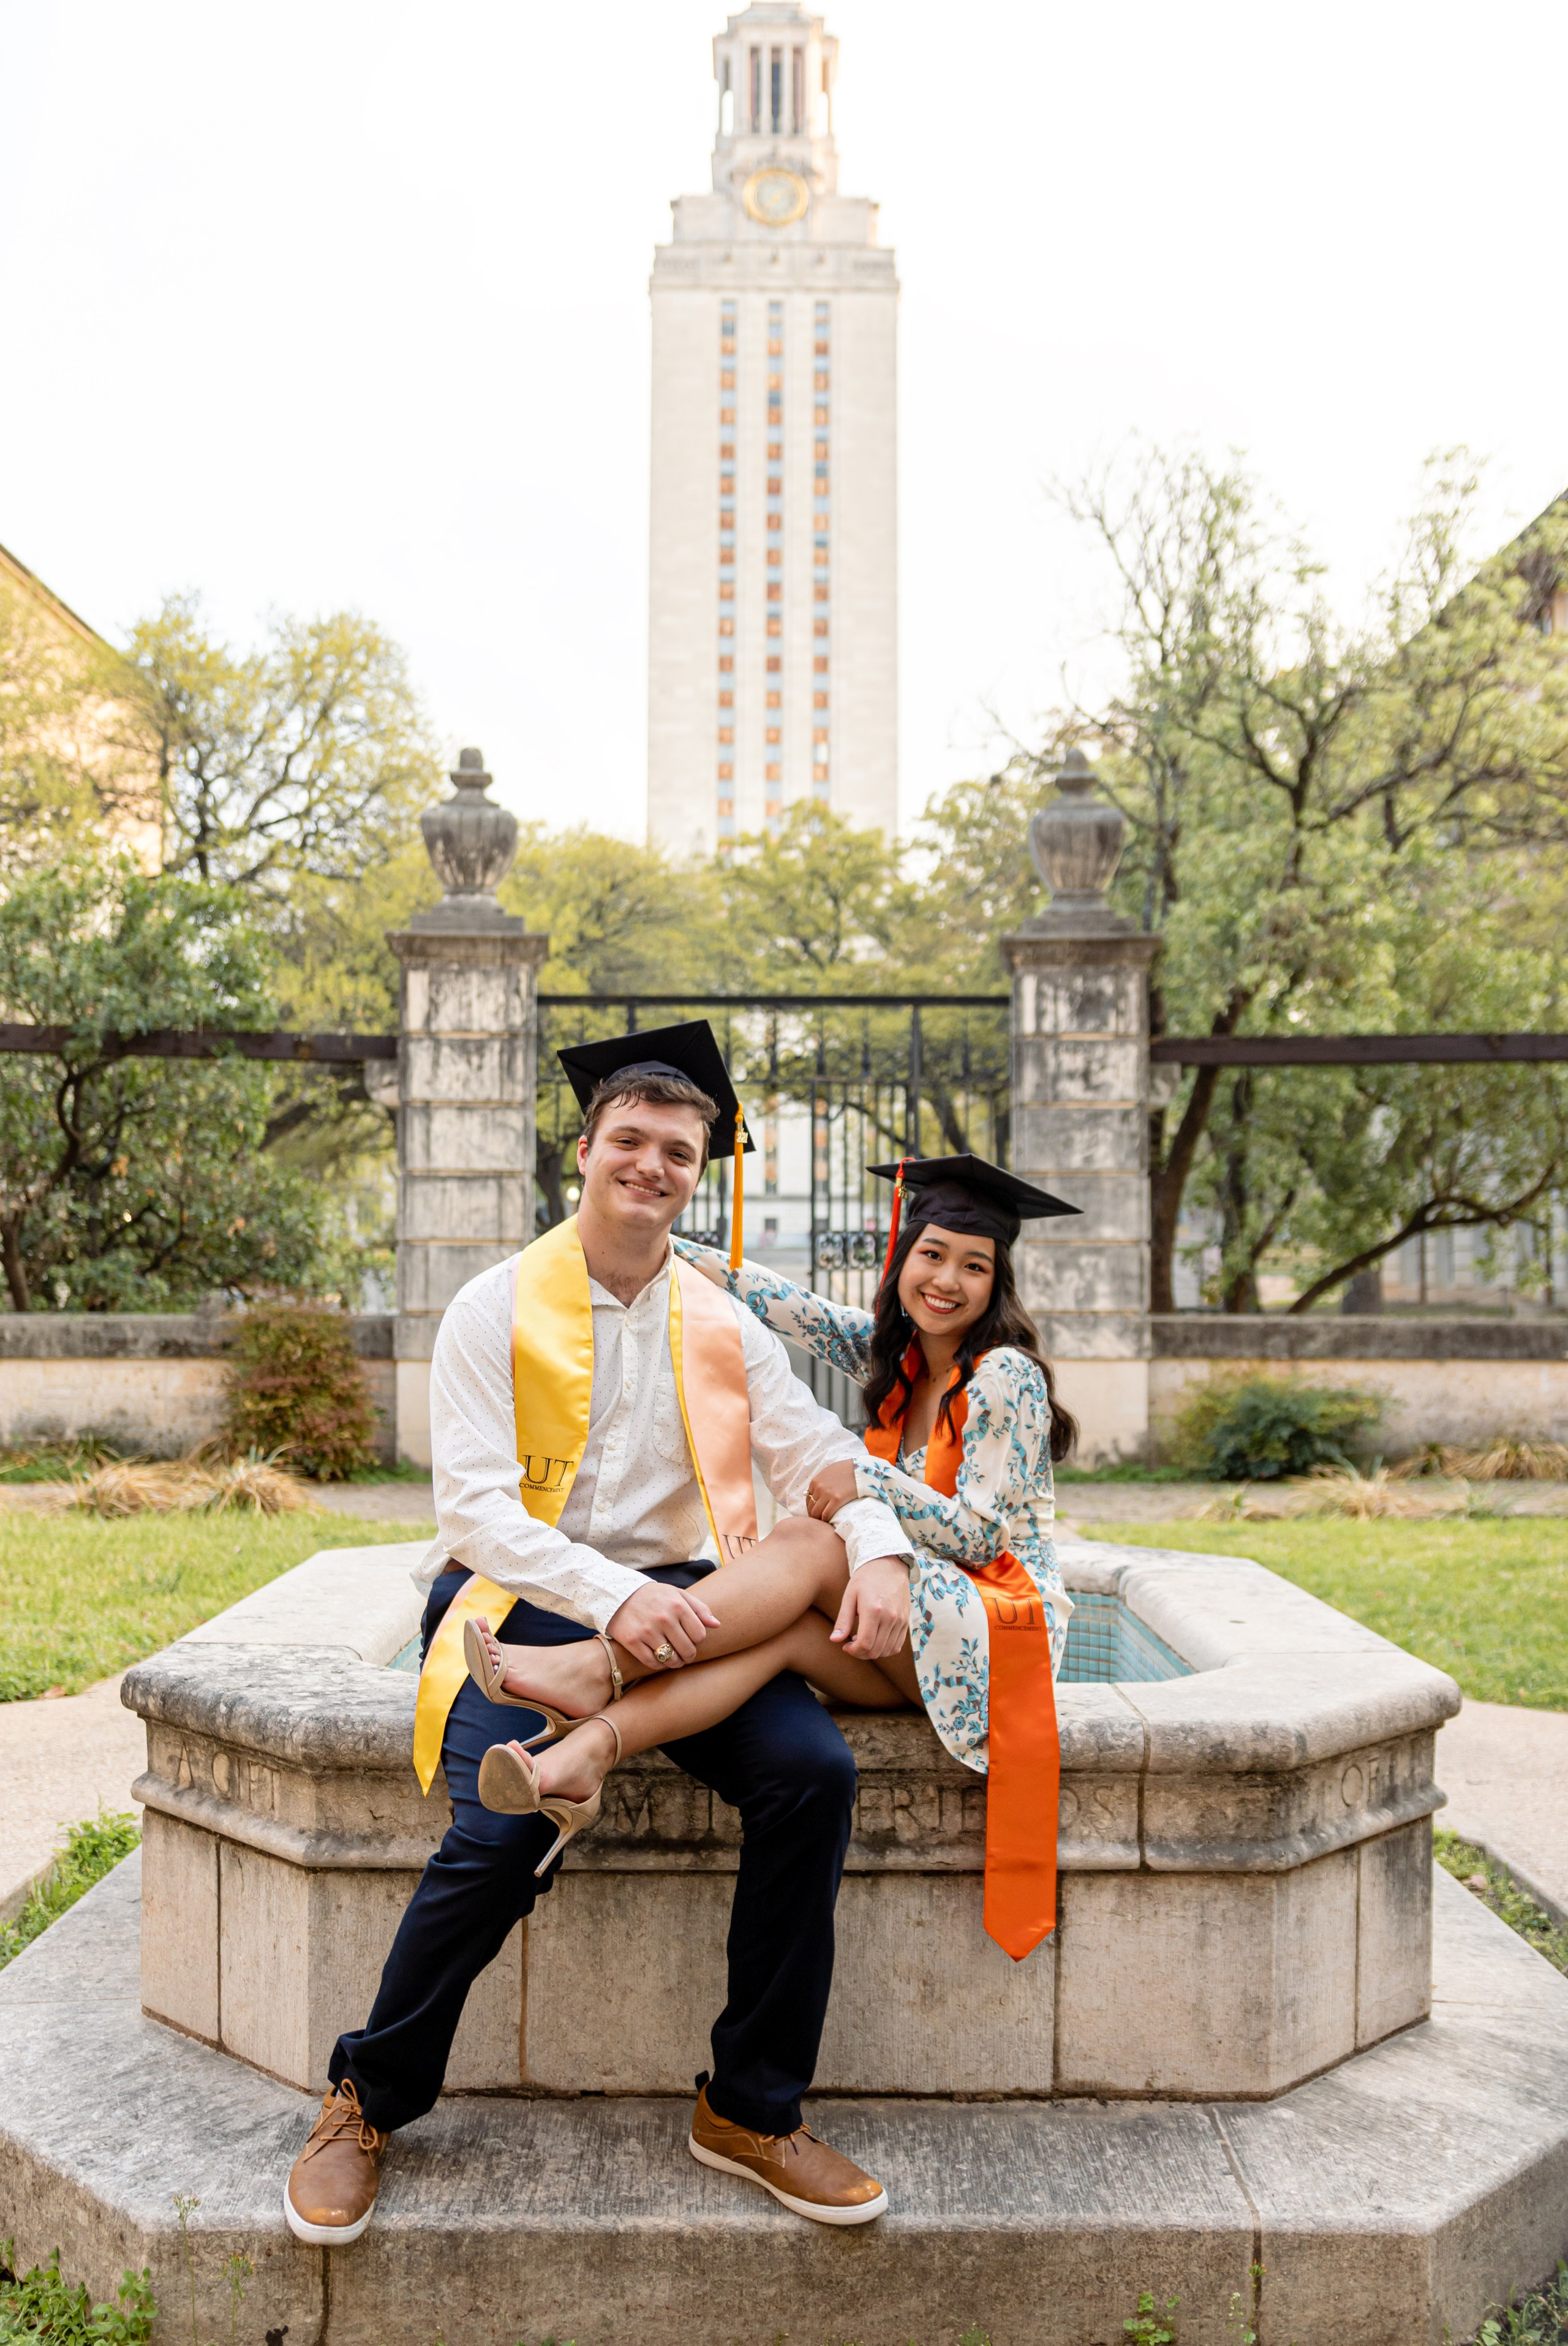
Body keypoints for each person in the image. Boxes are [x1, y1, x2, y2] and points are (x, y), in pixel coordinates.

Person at [282, 1025, 917, 2246]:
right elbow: (470, 1509)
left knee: (811, 1773)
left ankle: (748, 2108)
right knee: (499, 1825)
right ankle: (365, 2096)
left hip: (685, 1603)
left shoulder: (717, 1318)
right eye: (628, 1141)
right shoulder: (493, 1305)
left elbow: (819, 1457)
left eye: (676, 1151)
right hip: (513, 1602)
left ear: (696, 1172)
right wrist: (604, 1596)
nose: (651, 1165)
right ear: (584, 1151)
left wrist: (877, 1541)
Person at [496, 1152, 1080, 1974]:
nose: (947, 1279)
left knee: (809, 1541)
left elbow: (984, 1534)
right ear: (902, 1259)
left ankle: (596, 1664)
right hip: (919, 1633)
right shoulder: (899, 1357)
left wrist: (864, 1477)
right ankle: (589, 1750)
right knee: (782, 1636)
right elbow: (785, 1307)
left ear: (999, 1282)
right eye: (932, 1253)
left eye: (974, 1264)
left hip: (1001, 1635)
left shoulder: (1003, 1376)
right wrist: (664, 1239)